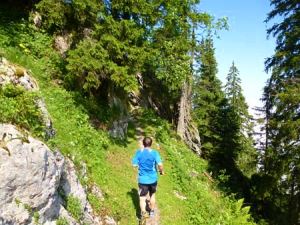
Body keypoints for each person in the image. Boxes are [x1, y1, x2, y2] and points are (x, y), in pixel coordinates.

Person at [132, 137, 164, 219]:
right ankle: (152, 212)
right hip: (153, 179)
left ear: (143, 143)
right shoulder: (155, 153)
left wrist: (140, 165)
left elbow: (134, 165)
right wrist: (161, 171)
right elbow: (160, 164)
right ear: (151, 144)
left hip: (143, 180)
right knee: (152, 195)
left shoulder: (139, 153)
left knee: (142, 197)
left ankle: (143, 212)